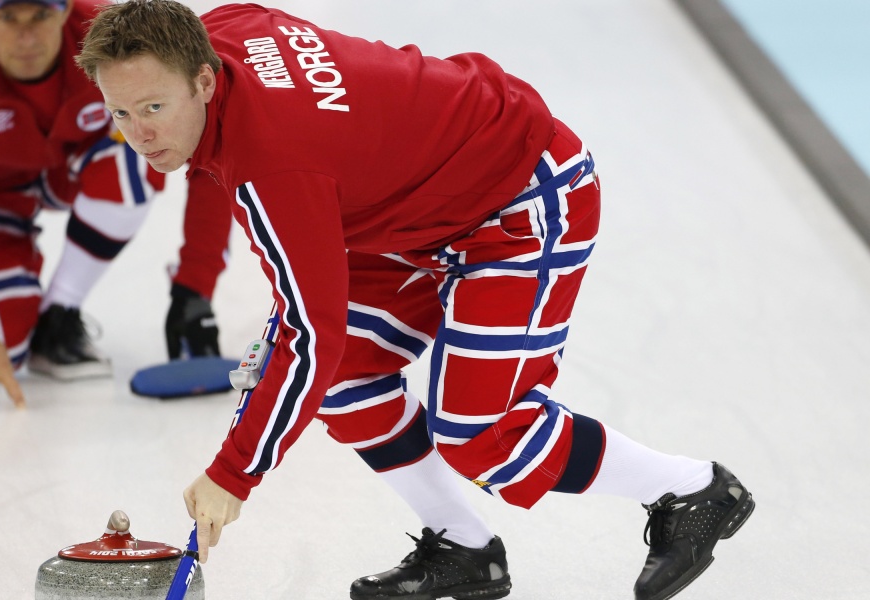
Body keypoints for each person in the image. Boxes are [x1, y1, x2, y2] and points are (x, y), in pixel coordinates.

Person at [76, 2, 756, 599]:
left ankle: (693, 488)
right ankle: (464, 548)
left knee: (479, 431)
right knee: (340, 378)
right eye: (121, 112)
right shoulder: (223, 29)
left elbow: (313, 333)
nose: (139, 133)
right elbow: (315, 323)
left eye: (154, 108)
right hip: (419, 209)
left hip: (518, 196)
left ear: (203, 79)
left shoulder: (274, 166)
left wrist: (233, 474)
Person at [0, 0, 223, 409]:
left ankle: (61, 310)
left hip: (67, 170)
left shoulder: (114, 38)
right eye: (8, 17)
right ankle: (22, 315)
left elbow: (210, 137)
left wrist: (194, 288)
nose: (26, 37)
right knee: (0, 346)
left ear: (66, 10)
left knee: (134, 157)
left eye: (41, 15)